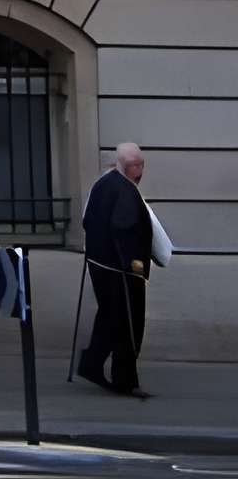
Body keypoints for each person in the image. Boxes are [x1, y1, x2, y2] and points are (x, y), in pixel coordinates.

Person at [80, 143, 152, 397]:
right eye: (136, 165)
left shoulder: (103, 184)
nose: (140, 170)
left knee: (111, 318)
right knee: (129, 324)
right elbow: (125, 229)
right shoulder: (124, 190)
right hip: (120, 269)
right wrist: (135, 266)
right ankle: (125, 380)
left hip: (100, 264)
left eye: (141, 164)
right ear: (125, 164)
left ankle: (91, 363)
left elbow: (87, 220)